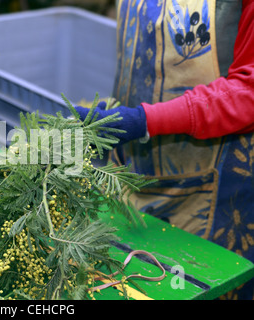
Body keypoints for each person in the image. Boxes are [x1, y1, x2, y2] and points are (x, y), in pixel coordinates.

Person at [75, 0, 253, 299]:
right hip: (132, 173)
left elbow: (249, 92)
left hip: (215, 190)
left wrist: (144, 120)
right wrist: (122, 115)